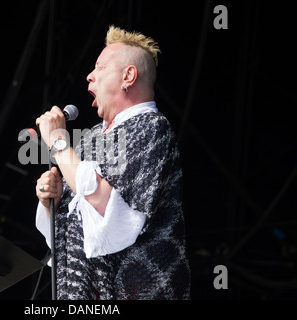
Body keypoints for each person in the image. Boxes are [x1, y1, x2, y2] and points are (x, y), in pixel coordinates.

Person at [34, 25, 190, 300]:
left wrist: (59, 143)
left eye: (100, 67)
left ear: (128, 76)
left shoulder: (152, 127)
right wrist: (53, 202)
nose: (89, 76)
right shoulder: (91, 137)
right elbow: (68, 236)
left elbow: (113, 211)